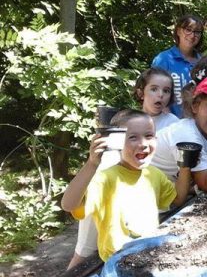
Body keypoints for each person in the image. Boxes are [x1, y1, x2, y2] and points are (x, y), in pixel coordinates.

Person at [61, 110, 192, 262]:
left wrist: (185, 165)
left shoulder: (154, 174)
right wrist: (91, 164)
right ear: (116, 142)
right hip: (118, 262)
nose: (143, 144)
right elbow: (68, 205)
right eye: (132, 137)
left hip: (149, 257)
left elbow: (178, 199)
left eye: (148, 136)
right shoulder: (106, 179)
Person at [152, 15, 205, 117]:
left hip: (196, 124)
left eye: (197, 32)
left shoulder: (202, 62)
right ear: (178, 31)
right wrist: (170, 121)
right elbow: (154, 92)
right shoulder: (164, 59)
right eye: (188, 30)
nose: (192, 35)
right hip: (168, 123)